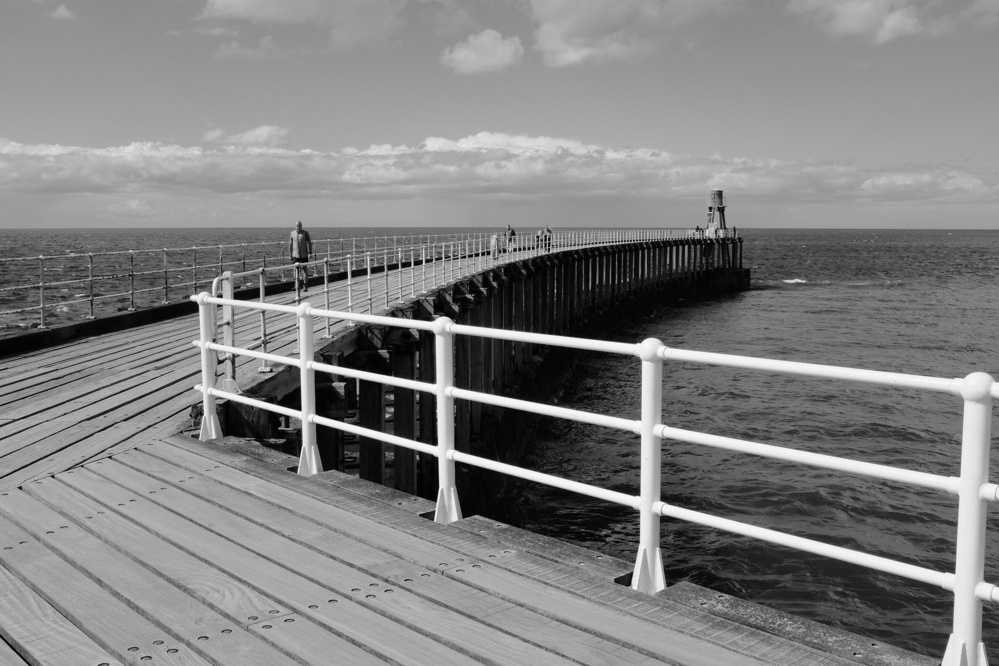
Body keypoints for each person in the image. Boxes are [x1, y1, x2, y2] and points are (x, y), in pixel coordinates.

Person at [289, 220, 313, 292]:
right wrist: (290, 255)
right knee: (295, 270)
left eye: (299, 226)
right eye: (297, 226)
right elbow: (290, 244)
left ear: (301, 226)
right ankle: (296, 285)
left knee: (304, 270)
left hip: (304, 255)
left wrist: (310, 252)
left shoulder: (305, 233)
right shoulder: (292, 233)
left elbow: (309, 242)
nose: (298, 227)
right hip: (295, 255)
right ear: (295, 226)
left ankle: (305, 285)